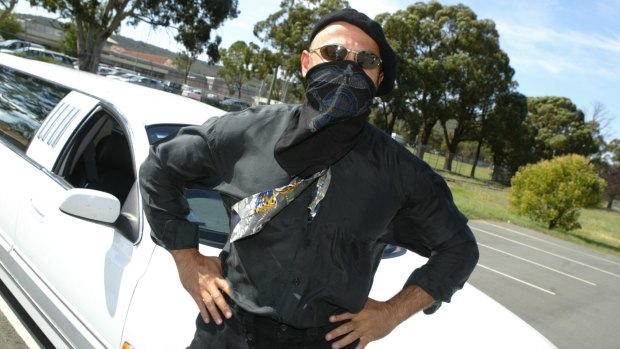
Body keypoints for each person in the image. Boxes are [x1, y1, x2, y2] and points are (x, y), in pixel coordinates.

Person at [139, 8, 479, 349]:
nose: (348, 68)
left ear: (378, 79)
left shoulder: (401, 171)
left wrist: (392, 313)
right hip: (227, 331)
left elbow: (459, 248)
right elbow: (159, 169)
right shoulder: (247, 131)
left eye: (365, 60)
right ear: (306, 63)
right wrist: (188, 260)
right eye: (333, 54)